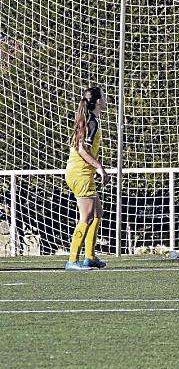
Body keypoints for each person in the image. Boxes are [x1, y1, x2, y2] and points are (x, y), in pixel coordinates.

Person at [64, 85, 108, 271]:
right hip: (80, 173)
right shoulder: (92, 122)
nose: (106, 100)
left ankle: (89, 257)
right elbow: (82, 149)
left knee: (97, 213)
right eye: (104, 97)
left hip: (80, 172)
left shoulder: (91, 119)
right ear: (98, 101)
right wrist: (99, 167)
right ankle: (72, 260)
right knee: (86, 217)